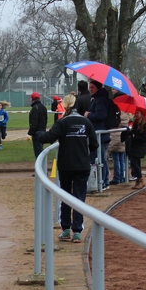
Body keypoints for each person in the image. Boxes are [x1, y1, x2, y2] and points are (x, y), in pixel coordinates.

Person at [37, 94, 98, 243]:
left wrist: (37, 132)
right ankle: (77, 231)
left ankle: (66, 229)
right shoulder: (86, 122)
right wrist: (86, 155)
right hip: (82, 165)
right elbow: (94, 144)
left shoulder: (62, 122)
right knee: (79, 197)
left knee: (65, 196)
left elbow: (48, 138)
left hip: (66, 165)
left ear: (64, 106)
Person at [84, 80, 114, 187]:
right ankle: (101, 181)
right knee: (99, 158)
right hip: (98, 134)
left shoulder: (100, 100)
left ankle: (103, 181)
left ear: (98, 88)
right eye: (89, 87)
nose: (90, 89)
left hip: (100, 134)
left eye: (92, 87)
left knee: (100, 159)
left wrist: (88, 115)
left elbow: (100, 115)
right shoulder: (97, 99)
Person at [121, 109, 146, 190]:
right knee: (136, 163)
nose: (136, 114)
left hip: (141, 147)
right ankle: (139, 179)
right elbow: (133, 132)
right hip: (135, 146)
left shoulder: (145, 125)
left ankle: (140, 179)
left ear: (142, 114)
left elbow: (145, 138)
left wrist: (134, 137)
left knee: (134, 163)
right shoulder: (136, 122)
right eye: (135, 113)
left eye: (138, 113)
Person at [28, 92, 48, 159]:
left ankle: (41, 165)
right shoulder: (43, 107)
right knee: (41, 149)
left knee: (38, 152)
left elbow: (34, 122)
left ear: (32, 99)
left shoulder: (35, 108)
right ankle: (43, 163)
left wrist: (31, 132)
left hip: (37, 132)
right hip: (43, 130)